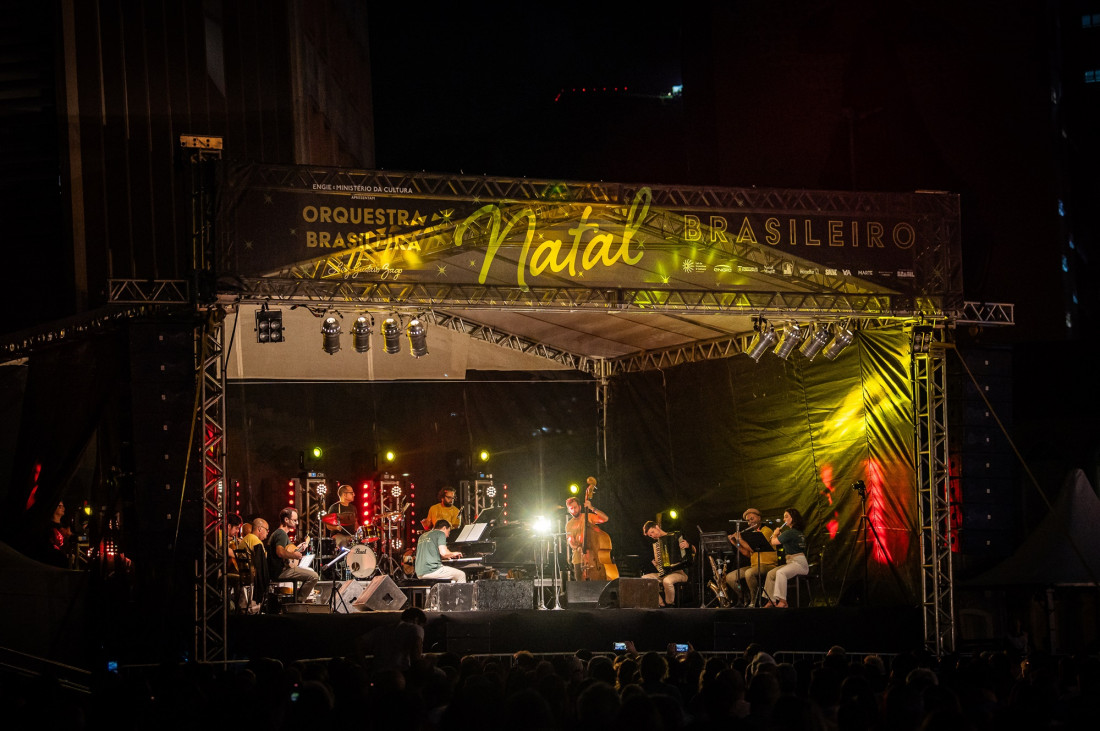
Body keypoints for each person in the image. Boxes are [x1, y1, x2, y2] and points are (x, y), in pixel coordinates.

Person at [725, 507, 778, 607]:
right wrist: (735, 543)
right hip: (754, 565)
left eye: (752, 519)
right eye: (748, 521)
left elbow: (752, 548)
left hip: (768, 565)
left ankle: (754, 601)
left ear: (759, 518)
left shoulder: (766, 531)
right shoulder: (752, 534)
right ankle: (745, 596)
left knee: (749, 573)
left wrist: (740, 539)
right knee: (730, 577)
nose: (750, 522)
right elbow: (747, 553)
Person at [267, 507, 318, 602]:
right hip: (280, 572)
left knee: (309, 571)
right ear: (286, 520)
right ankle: (298, 601)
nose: (297, 523)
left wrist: (297, 548)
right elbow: (280, 552)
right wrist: (296, 555)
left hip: (278, 571)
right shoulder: (281, 534)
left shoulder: (279, 534)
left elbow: (286, 550)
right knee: (314, 576)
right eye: (294, 520)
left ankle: (295, 600)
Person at [641, 521, 695, 607]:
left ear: (657, 527)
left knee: (667, 581)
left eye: (652, 532)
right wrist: (657, 564)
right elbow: (661, 568)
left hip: (680, 572)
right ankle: (661, 604)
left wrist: (688, 545)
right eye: (650, 535)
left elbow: (694, 552)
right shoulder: (657, 544)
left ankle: (670, 605)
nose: (653, 536)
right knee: (643, 579)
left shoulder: (676, 536)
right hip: (665, 573)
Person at [763, 508, 808, 608]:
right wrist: (779, 536)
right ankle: (772, 601)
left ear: (793, 518)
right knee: (771, 574)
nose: (784, 519)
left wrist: (775, 534)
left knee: (781, 573)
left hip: (799, 564)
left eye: (786, 516)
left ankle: (783, 602)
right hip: (794, 563)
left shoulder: (790, 532)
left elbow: (773, 542)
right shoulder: (797, 532)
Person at [565, 488, 611, 581]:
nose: (574, 510)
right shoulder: (569, 524)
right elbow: (571, 542)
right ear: (569, 510)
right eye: (571, 508)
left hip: (593, 557)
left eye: (575, 507)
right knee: (580, 587)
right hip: (578, 559)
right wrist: (578, 547)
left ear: (580, 507)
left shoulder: (588, 516)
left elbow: (605, 518)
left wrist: (591, 508)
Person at [325, 483, 359, 550]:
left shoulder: (353, 508)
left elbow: (356, 523)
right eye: (351, 493)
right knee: (343, 543)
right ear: (344, 495)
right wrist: (337, 528)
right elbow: (328, 526)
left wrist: (360, 531)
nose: (354, 495)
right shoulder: (334, 508)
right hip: (339, 536)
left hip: (351, 536)